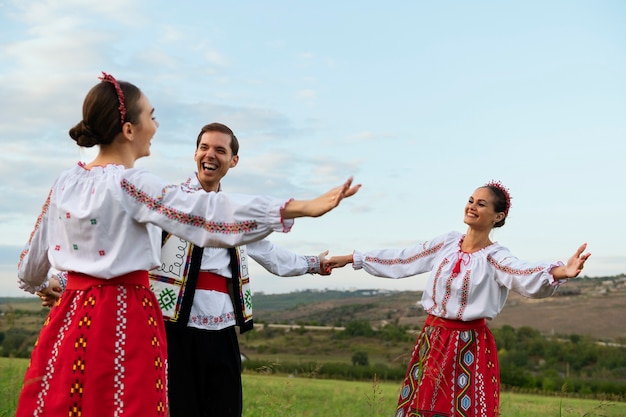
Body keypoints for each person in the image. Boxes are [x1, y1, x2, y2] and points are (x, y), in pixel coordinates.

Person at [17, 72, 360, 417]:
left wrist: (56, 284)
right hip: (147, 319)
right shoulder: (148, 191)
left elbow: (43, 264)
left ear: (233, 160)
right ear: (129, 129)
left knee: (74, 402)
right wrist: (298, 207)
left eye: (220, 150)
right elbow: (208, 215)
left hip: (78, 316)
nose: (156, 125)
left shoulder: (66, 181)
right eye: (151, 116)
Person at [327, 181, 590, 417]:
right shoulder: (447, 243)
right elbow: (404, 258)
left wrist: (561, 271)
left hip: (468, 344)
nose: (472, 206)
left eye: (482, 204)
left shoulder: (494, 257)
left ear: (498, 216)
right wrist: (354, 258)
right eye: (471, 200)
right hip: (433, 338)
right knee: (421, 406)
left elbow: (522, 272)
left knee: (461, 409)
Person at [143, 122, 332, 417]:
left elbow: (271, 255)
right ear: (195, 154)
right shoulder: (171, 202)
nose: (211, 155)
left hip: (221, 328)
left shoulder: (234, 211)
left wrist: (315, 264)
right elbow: (131, 249)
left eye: (220, 150)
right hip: (173, 327)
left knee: (225, 409)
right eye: (204, 147)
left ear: (233, 161)